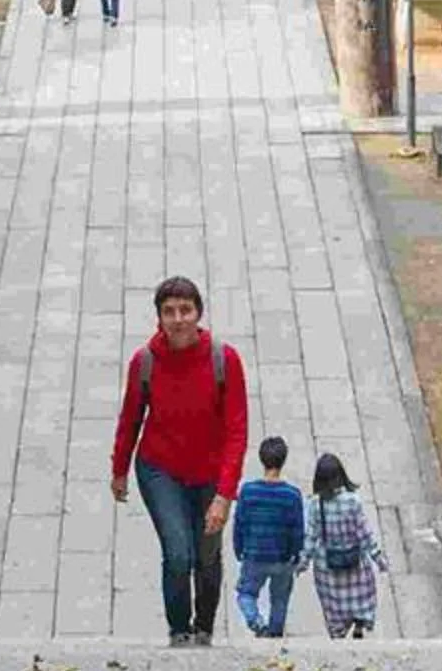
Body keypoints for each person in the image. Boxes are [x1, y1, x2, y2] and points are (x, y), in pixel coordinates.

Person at [109, 275, 249, 646]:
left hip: (210, 472)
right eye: (169, 311)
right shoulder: (145, 362)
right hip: (161, 469)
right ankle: (179, 631)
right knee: (177, 553)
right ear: (159, 318)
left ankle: (203, 628)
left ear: (198, 313)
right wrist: (119, 469)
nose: (178, 319)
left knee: (207, 555)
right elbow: (130, 419)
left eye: (185, 310)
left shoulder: (225, 359)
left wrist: (224, 495)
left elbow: (237, 431)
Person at [230, 436, 307, 639]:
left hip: (254, 554)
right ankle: (274, 634)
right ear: (284, 460)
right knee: (280, 599)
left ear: (261, 459)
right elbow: (297, 530)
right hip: (282, 558)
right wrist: (295, 555)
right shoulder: (292, 495)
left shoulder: (248, 491)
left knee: (246, 594)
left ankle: (257, 624)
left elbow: (239, 524)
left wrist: (239, 549)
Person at [307, 452, 388, 640]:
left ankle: (338, 632)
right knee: (361, 596)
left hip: (328, 567)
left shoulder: (315, 505)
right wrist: (378, 558)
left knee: (333, 604)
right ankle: (359, 623)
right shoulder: (353, 501)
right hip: (354, 561)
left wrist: (302, 562)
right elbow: (364, 533)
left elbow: (311, 538)